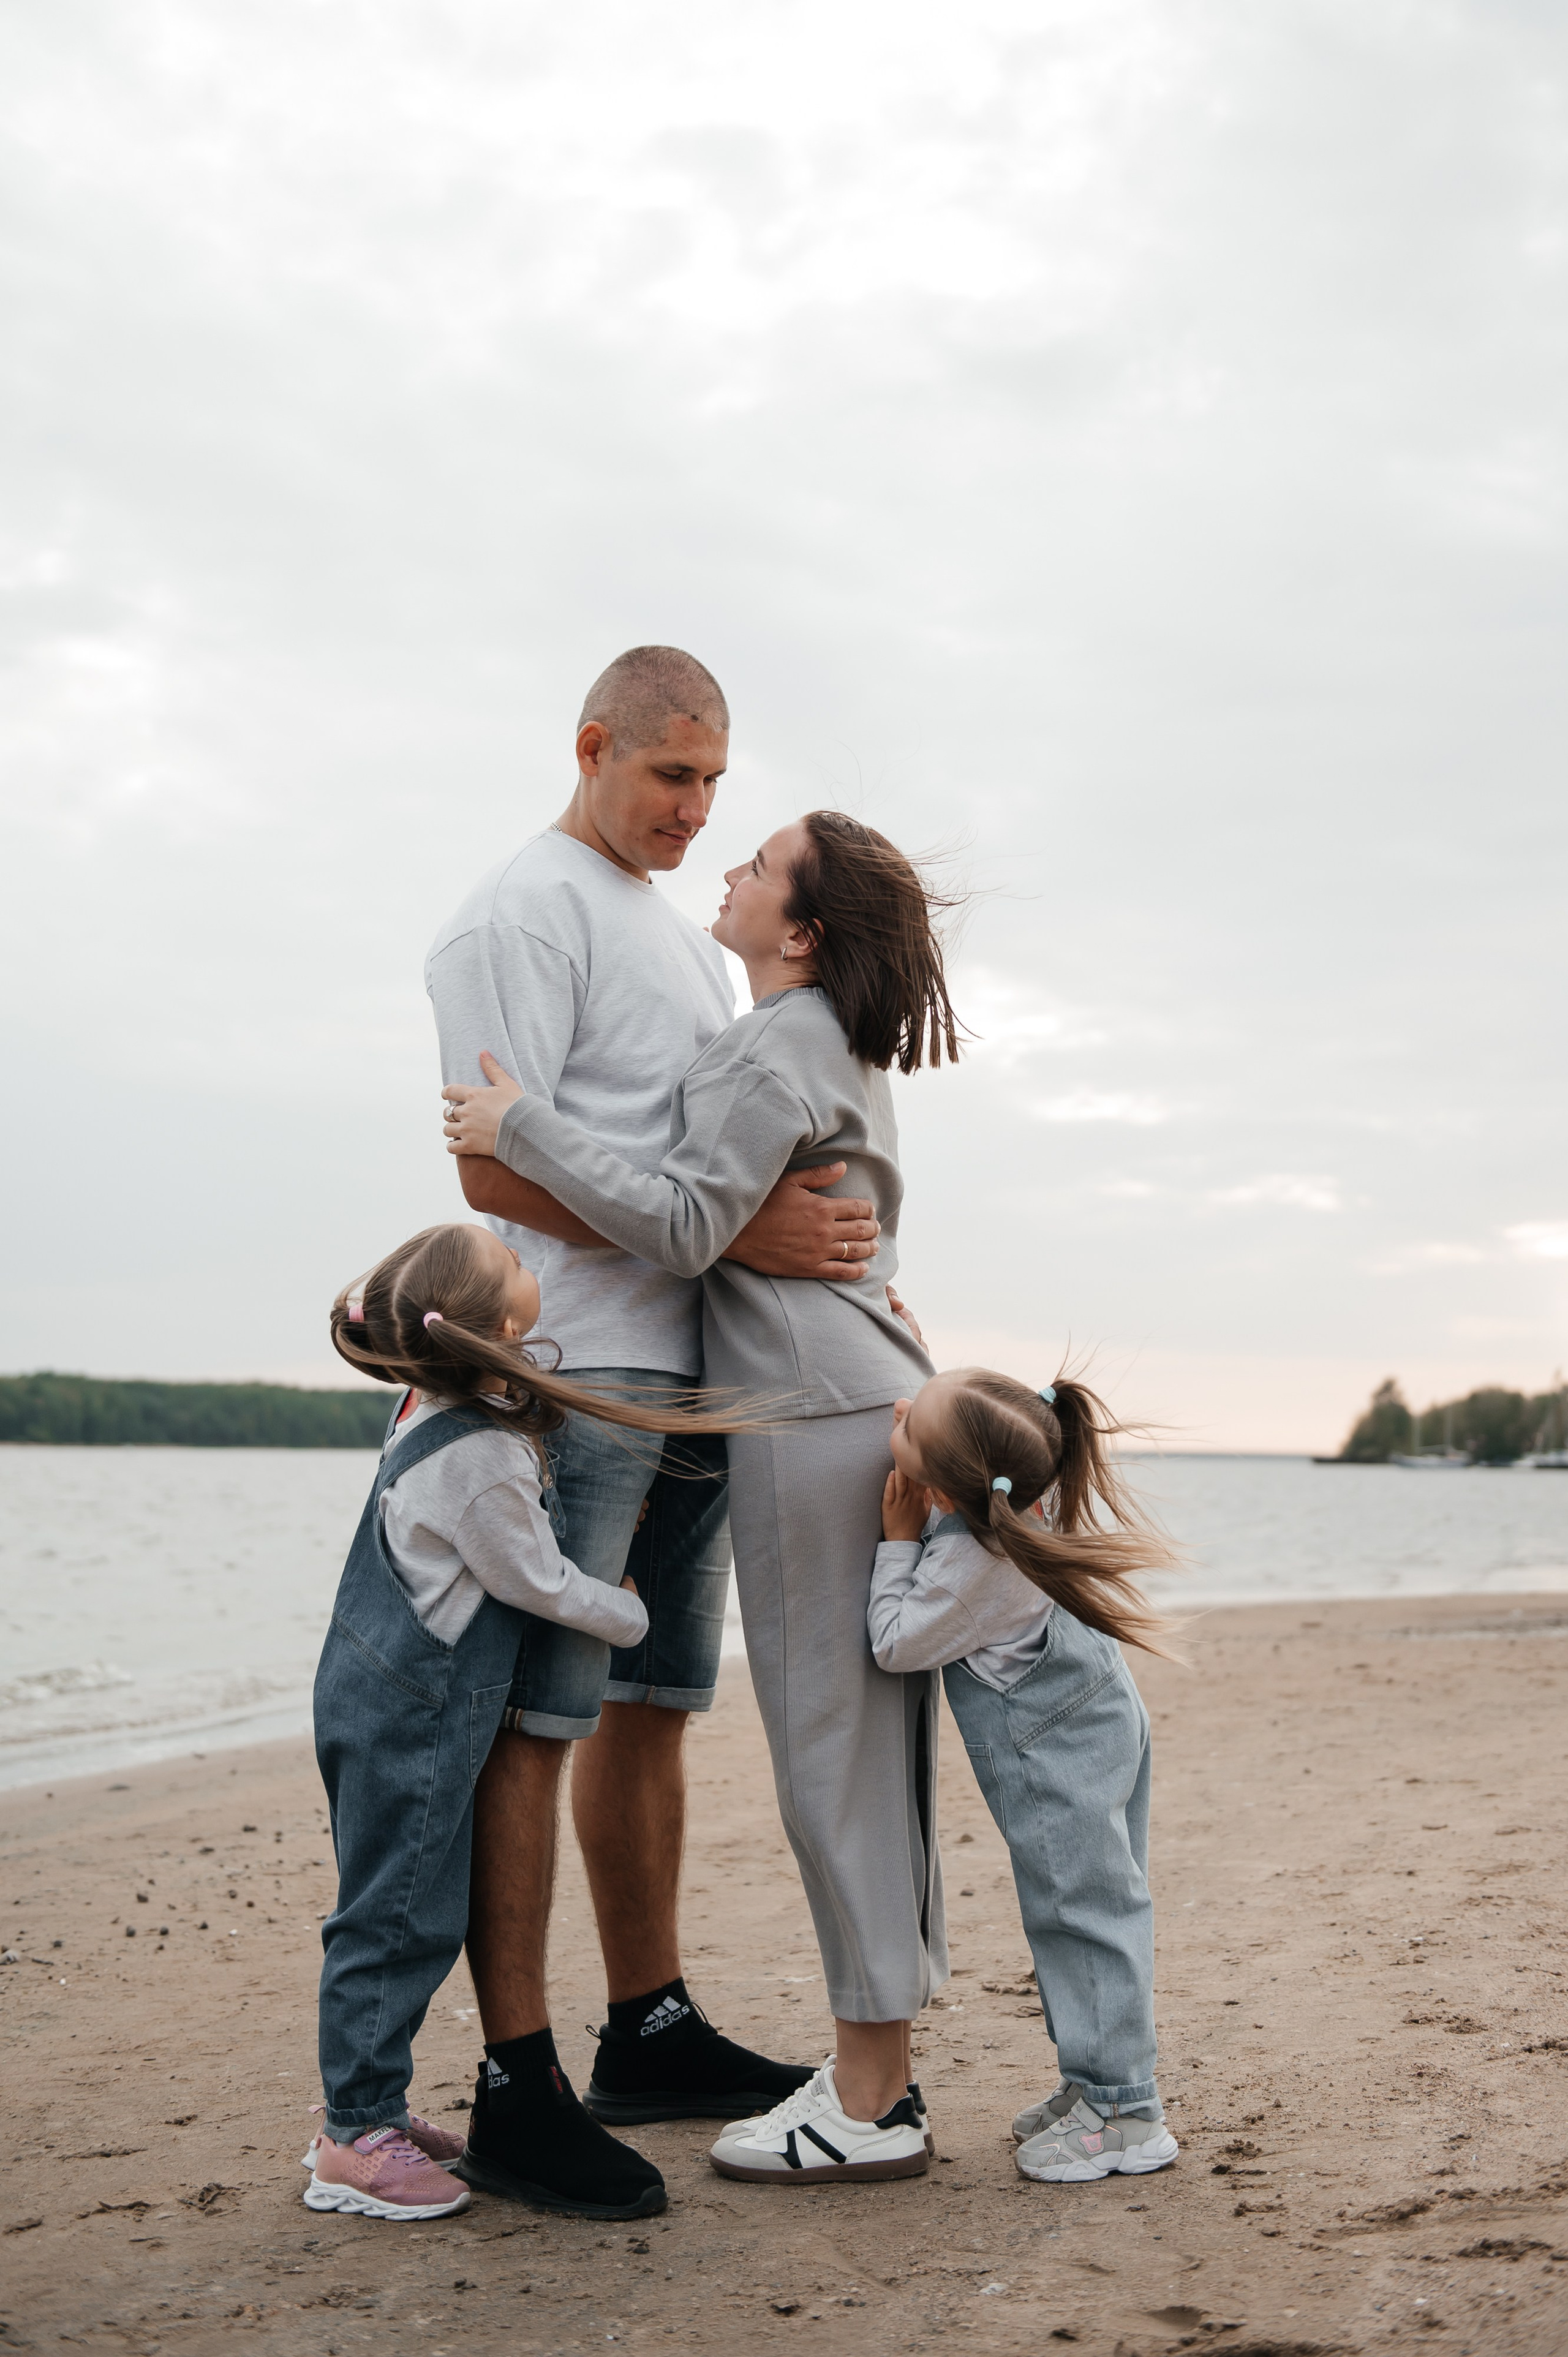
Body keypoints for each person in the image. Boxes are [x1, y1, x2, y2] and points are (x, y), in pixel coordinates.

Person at [442, 809, 963, 2185]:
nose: (723, 866)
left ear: (797, 929)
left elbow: (679, 1223)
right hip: (849, 1387)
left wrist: (519, 1124)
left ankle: (864, 2094)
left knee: (826, 1749)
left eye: (757, 864)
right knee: (867, 1743)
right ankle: (878, 2078)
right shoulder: (823, 1040)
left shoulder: (771, 1044)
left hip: (807, 1409)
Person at [305, 1220, 771, 2223]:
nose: (532, 1263)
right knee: (397, 1917)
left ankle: (369, 2110)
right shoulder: (475, 1451)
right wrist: (626, 1609)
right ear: (490, 1323)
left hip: (390, 1697)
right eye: (517, 1264)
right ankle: (353, 2135)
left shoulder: (443, 1409)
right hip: (414, 1717)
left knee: (402, 1907)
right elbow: (535, 1576)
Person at [868, 1367, 1183, 2184]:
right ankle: (1093, 2083)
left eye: (910, 1426)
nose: (899, 1412)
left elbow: (897, 1643)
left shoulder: (975, 1560)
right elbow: (959, 1425)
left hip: (1057, 1749)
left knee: (1084, 1915)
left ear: (939, 1488)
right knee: (1094, 1905)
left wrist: (899, 1541)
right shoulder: (1013, 1488)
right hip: (1099, 1718)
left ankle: (1124, 2112)